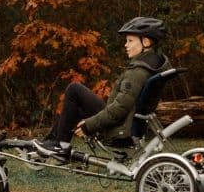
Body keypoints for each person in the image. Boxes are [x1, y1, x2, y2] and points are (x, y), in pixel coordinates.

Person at [32, 16, 170, 163]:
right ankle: (54, 142)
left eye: (130, 41)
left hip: (119, 130)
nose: (126, 45)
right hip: (127, 125)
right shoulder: (152, 65)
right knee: (75, 104)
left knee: (74, 90)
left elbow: (119, 109)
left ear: (146, 42)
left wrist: (89, 125)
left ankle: (60, 145)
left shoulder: (138, 72)